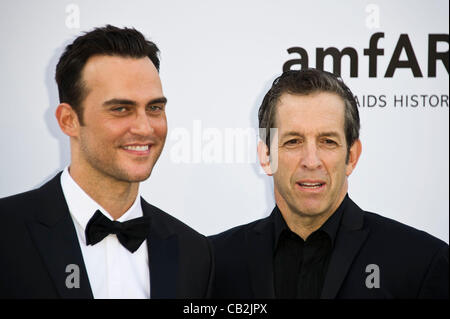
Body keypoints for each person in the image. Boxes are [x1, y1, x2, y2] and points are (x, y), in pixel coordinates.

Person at [0, 25, 213, 299]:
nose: (145, 128)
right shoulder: (7, 234)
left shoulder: (194, 253)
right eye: (121, 109)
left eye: (154, 108)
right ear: (69, 120)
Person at [210, 69, 448, 299]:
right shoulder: (213, 263)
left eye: (328, 141)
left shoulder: (420, 263)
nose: (311, 161)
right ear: (266, 156)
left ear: (352, 157)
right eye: (293, 141)